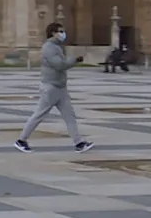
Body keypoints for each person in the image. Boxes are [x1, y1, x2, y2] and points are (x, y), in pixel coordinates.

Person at [15, 22, 93, 154]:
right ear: (53, 33)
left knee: (70, 116)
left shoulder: (57, 47)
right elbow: (59, 65)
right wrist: (74, 60)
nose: (63, 34)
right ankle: (21, 140)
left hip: (60, 88)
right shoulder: (49, 48)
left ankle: (79, 142)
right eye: (60, 31)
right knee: (39, 115)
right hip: (50, 87)